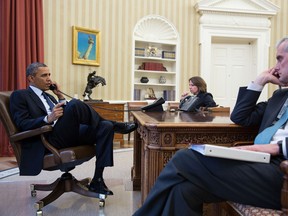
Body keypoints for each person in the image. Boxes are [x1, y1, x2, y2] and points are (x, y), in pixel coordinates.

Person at [133, 37, 288, 216]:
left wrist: (274, 148)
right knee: (183, 191)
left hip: (282, 171)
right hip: (259, 164)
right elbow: (240, 117)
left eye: (280, 59)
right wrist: (258, 82)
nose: (275, 66)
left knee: (184, 157)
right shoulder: (279, 97)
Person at [9, 62, 137, 196]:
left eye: (49, 75)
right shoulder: (20, 95)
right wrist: (47, 118)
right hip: (47, 140)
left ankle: (97, 180)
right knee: (75, 104)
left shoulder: (50, 96)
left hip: (65, 134)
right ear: (31, 78)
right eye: (44, 75)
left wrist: (60, 96)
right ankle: (117, 125)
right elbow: (22, 123)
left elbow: (66, 114)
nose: (49, 79)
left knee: (106, 127)